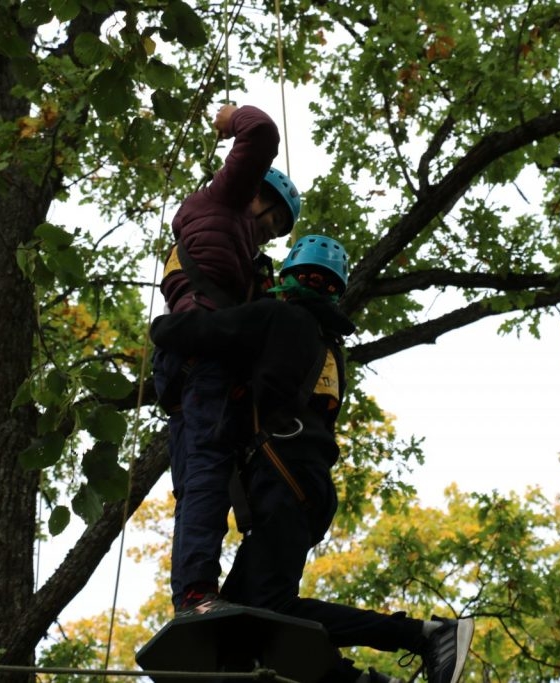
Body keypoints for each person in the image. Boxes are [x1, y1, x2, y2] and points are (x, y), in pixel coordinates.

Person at [150, 235, 475, 683]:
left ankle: (423, 634)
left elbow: (185, 332)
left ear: (288, 278)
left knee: (268, 609)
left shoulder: (277, 316)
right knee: (248, 629)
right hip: (304, 486)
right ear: (335, 291)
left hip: (284, 481)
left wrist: (170, 317)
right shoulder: (328, 348)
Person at [152, 102, 301, 613]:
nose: (268, 231)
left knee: (202, 479)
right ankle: (196, 592)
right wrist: (228, 117)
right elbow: (258, 132)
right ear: (254, 192)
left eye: (279, 230)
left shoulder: (242, 257)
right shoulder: (226, 202)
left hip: (194, 363)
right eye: (271, 218)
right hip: (204, 355)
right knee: (209, 469)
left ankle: (198, 593)